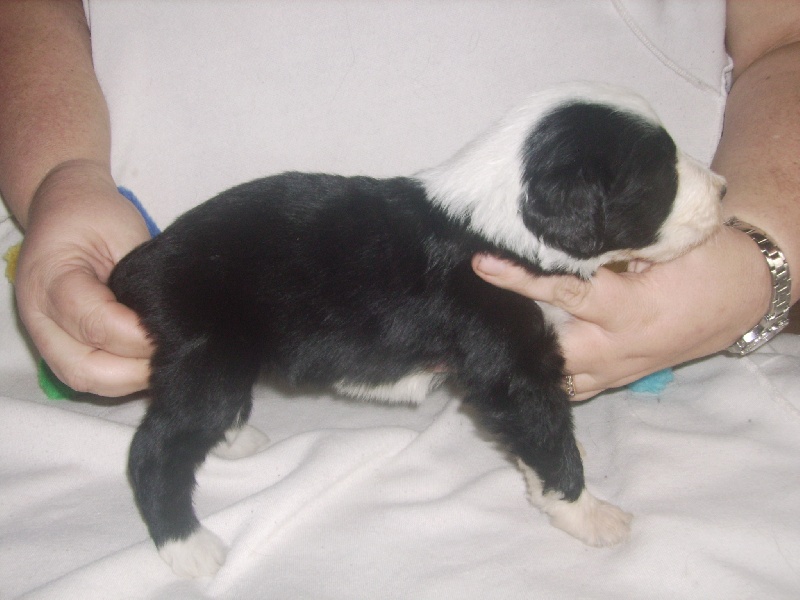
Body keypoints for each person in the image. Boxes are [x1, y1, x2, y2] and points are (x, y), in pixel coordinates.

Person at [0, 0, 797, 401]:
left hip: (646, 370)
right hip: (156, 342)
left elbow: (783, 37)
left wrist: (762, 253)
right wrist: (59, 173)